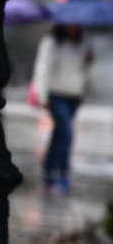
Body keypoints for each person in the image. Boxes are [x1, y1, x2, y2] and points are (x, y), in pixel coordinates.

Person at [31, 24, 94, 194]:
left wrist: (88, 60)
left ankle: (48, 173)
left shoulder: (83, 42)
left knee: (58, 135)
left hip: (73, 95)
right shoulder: (51, 42)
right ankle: (62, 175)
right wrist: (42, 96)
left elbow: (82, 71)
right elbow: (42, 69)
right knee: (67, 135)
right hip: (56, 94)